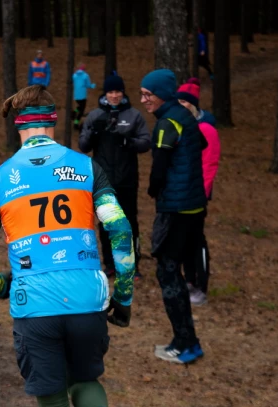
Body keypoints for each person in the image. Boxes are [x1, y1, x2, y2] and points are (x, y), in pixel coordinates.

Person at [0, 85, 135, 407]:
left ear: (19, 126)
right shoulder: (87, 168)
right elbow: (119, 228)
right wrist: (124, 295)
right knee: (85, 380)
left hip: (35, 305)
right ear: (54, 121)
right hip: (88, 299)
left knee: (53, 405)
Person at [140, 69, 206, 364]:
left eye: (147, 95)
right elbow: (200, 146)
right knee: (173, 270)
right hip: (194, 206)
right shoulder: (185, 116)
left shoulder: (166, 124)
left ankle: (185, 343)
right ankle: (187, 340)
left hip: (177, 209)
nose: (143, 100)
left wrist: (154, 190)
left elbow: (159, 168)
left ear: (162, 94)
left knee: (167, 272)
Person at [79, 73, 150, 281]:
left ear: (123, 92)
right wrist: (94, 133)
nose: (114, 95)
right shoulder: (94, 115)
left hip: (127, 179)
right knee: (106, 223)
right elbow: (83, 146)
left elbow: (146, 142)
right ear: (105, 93)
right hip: (103, 181)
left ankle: (132, 265)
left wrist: (128, 142)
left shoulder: (134, 115)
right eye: (110, 91)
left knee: (129, 223)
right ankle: (110, 264)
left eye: (118, 91)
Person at [177, 83, 221, 306]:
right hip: (181, 193)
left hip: (197, 194)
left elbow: (210, 164)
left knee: (197, 240)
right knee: (184, 239)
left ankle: (201, 286)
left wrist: (200, 193)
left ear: (193, 104)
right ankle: (189, 281)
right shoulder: (182, 126)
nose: (182, 106)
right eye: (179, 102)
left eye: (185, 101)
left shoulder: (207, 129)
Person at [72, 64, 96, 130]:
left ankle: (74, 112)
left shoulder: (74, 75)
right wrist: (93, 86)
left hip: (76, 95)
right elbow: (88, 85)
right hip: (82, 96)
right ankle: (76, 123)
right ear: (84, 69)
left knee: (79, 107)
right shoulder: (85, 76)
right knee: (81, 111)